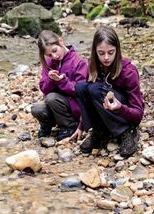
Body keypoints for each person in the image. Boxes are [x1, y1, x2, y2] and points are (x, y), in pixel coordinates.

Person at [72, 26, 144, 158]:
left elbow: (138, 114)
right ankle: (99, 130)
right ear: (95, 51)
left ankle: (126, 132)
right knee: (81, 87)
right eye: (101, 53)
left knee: (95, 88)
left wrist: (121, 108)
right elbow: (87, 97)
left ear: (117, 50)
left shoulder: (129, 72)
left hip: (125, 114)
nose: (106, 58)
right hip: (105, 112)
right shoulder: (93, 67)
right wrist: (81, 126)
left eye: (111, 52)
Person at [31, 30, 88, 141]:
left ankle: (69, 126)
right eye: (49, 55)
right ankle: (47, 125)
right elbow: (44, 89)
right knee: (36, 109)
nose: (54, 56)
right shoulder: (48, 62)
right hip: (56, 106)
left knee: (52, 98)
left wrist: (62, 81)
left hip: (75, 107)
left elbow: (81, 90)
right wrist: (50, 80)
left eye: (55, 51)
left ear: (61, 41)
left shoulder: (78, 62)